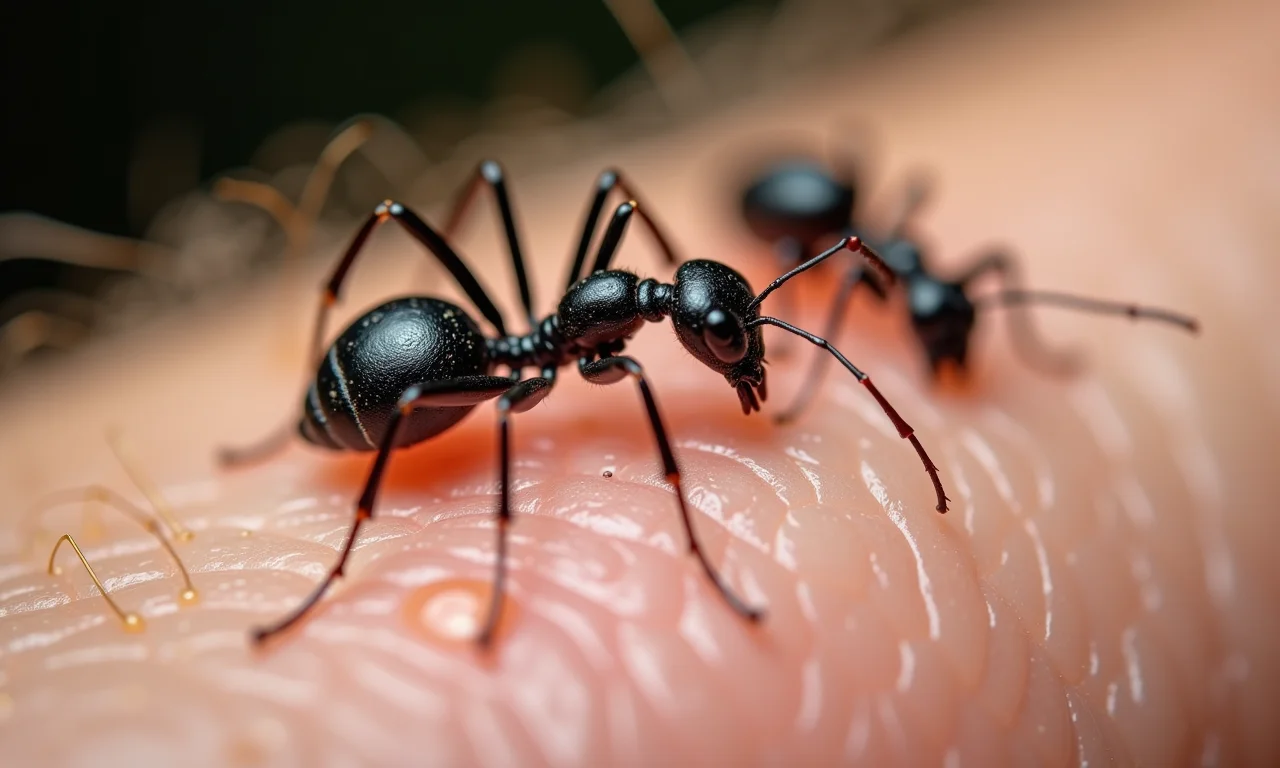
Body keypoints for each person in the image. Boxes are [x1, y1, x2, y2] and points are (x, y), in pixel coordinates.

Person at [1, 0, 1276, 764]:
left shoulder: (620, 316)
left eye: (728, 336)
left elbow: (660, 312)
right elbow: (538, 382)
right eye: (728, 337)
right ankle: (336, 545)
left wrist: (711, 314)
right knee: (458, 311)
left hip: (505, 337)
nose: (733, 356)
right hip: (411, 362)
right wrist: (603, 551)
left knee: (530, 284)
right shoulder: (568, 353)